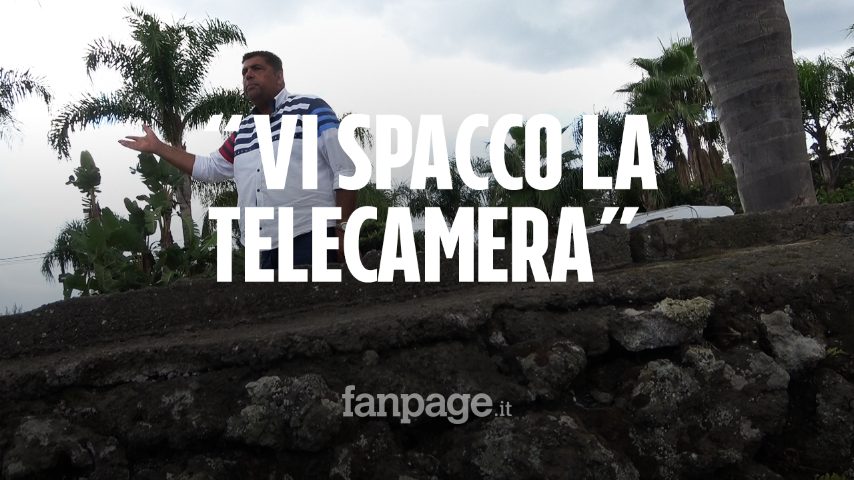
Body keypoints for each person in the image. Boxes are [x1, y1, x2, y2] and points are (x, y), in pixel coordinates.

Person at [119, 51, 357, 269]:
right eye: (244, 72)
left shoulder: (311, 109)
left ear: (279, 77)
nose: (248, 75)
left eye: (257, 68)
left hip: (309, 235)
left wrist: (343, 230)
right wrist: (158, 147)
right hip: (262, 248)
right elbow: (210, 168)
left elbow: (346, 169)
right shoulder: (244, 130)